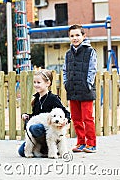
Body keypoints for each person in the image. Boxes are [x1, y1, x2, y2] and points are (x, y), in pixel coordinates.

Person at [18, 69, 71, 157]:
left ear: (47, 83)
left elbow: (65, 112)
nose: (36, 85)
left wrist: (66, 120)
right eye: (34, 82)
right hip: (40, 130)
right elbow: (35, 115)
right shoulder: (36, 99)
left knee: (35, 128)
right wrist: (27, 115)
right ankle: (41, 148)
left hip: (50, 131)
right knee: (21, 152)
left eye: (38, 82)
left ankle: (48, 147)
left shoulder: (53, 98)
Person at [63, 24, 98, 153]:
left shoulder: (90, 51)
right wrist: (66, 83)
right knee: (76, 119)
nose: (75, 38)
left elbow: (92, 69)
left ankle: (91, 143)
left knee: (87, 118)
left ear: (83, 36)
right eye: (72, 36)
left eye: (77, 35)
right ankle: (81, 142)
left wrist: (88, 84)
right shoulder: (68, 54)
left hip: (85, 89)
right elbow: (65, 70)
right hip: (72, 89)